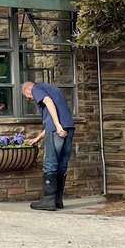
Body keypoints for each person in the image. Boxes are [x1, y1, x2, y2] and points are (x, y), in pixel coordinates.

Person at [22, 80, 74, 211]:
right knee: (62, 164)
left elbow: (48, 102)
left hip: (56, 128)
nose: (30, 99)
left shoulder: (35, 88)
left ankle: (48, 200)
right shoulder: (53, 89)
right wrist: (38, 138)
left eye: (28, 97)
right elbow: (54, 114)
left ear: (27, 90)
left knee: (50, 163)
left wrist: (57, 126)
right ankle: (58, 200)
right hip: (68, 126)